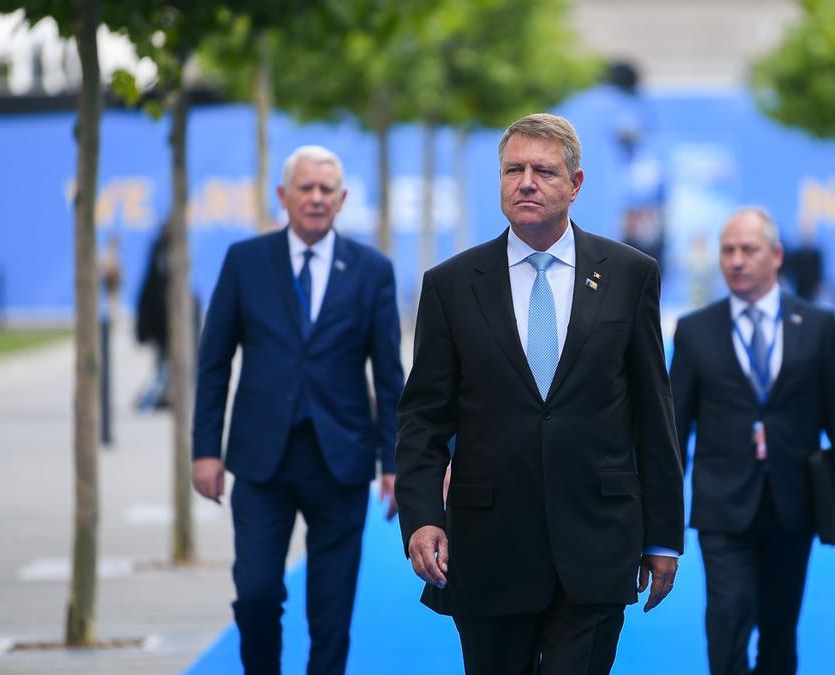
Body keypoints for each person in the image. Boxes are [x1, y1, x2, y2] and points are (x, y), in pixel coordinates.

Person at [395, 113, 685, 675]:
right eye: (513, 169)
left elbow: (654, 411)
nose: (526, 182)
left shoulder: (629, 274)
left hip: (598, 539)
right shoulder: (451, 284)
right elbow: (423, 417)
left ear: (575, 185)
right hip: (488, 545)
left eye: (544, 171)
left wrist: (664, 536)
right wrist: (422, 517)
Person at [192, 145, 404, 674]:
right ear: (283, 196)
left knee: (331, 613)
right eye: (304, 188)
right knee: (257, 593)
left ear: (342, 199)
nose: (315, 198)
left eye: (325, 189)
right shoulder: (245, 262)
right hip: (262, 461)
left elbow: (389, 375)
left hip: (342, 461)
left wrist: (396, 462)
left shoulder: (372, 270)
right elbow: (214, 362)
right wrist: (204, 451)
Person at [669, 207, 835, 675]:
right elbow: (674, 428)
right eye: (728, 251)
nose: (736, 261)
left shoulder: (817, 327)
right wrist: (659, 516)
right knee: (726, 621)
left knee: (779, 632)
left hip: (792, 503)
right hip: (722, 505)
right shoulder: (695, 331)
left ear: (777, 256)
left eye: (749, 249)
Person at [134, 227, 170, 410]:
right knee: (163, 368)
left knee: (163, 367)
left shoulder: (161, 252)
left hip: (163, 326)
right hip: (162, 326)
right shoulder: (161, 253)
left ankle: (159, 398)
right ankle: (146, 402)